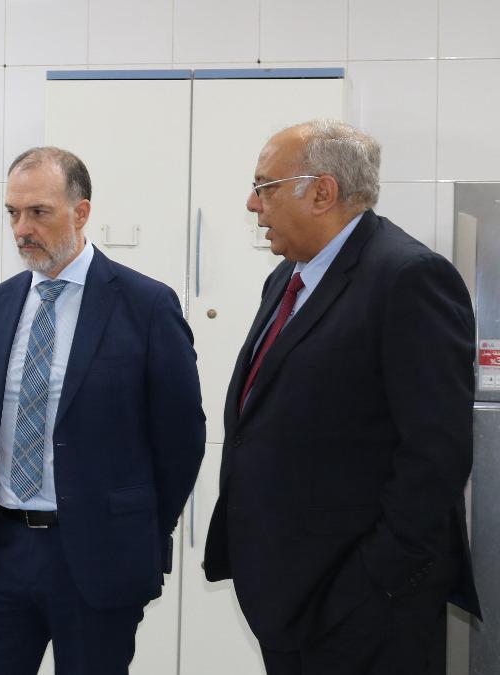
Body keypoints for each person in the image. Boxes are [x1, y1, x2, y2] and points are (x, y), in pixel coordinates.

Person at [203, 119, 480, 675]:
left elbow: (436, 453)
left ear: (322, 192)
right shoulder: (287, 279)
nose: (252, 205)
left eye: (264, 187)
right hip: (289, 593)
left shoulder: (408, 277)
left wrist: (374, 579)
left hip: (365, 605)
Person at [0, 147, 205, 674]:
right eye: (13, 213)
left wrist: (137, 528)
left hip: (97, 555)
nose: (22, 229)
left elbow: (182, 438)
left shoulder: (145, 305)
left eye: (38, 212)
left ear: (81, 212)